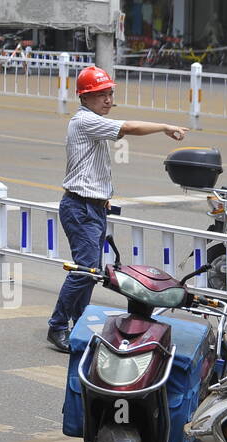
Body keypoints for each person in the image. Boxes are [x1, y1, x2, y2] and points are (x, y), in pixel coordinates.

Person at [46, 65, 189, 352]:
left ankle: (78, 323)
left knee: (90, 270)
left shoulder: (93, 120)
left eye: (110, 93)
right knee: (84, 270)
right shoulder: (85, 120)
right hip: (80, 208)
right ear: (84, 98)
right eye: (100, 95)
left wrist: (103, 197)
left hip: (92, 207)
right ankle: (57, 326)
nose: (107, 99)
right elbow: (128, 128)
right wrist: (165, 126)